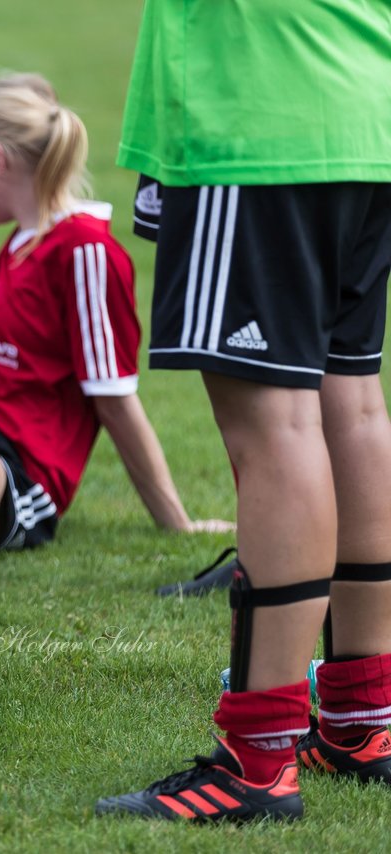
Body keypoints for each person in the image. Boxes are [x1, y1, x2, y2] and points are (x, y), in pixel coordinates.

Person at [97, 2, 391, 822]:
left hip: (257, 117)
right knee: (351, 404)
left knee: (277, 424)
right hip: (365, 108)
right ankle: (364, 722)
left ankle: (257, 764)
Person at [0, 73, 231, 551]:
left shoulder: (85, 251)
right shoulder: (25, 241)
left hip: (10, 468)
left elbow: (115, 398)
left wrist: (177, 522)